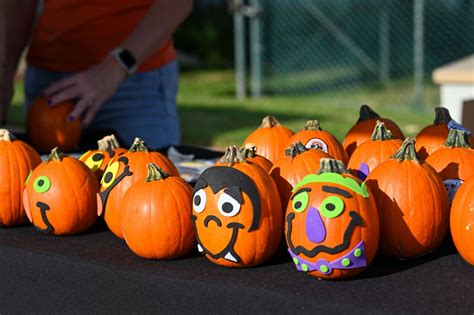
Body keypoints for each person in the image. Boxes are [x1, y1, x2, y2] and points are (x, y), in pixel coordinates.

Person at [1, 0, 193, 149]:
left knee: (146, 189)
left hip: (133, 83)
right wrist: (5, 74)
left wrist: (116, 67)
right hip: (49, 85)